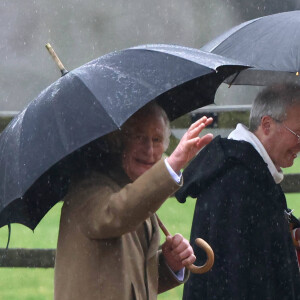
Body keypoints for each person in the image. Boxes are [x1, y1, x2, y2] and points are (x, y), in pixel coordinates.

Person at [54, 101, 213, 300]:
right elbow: (118, 213)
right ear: (119, 141)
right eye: (139, 137)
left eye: (156, 139)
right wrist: (172, 165)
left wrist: (169, 264)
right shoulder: (89, 189)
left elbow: (133, 284)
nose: (149, 149)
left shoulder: (132, 190)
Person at [176, 83, 300, 300]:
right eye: (298, 133)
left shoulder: (253, 171)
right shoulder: (238, 178)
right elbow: (233, 279)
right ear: (267, 125)